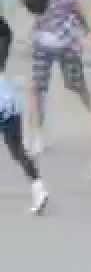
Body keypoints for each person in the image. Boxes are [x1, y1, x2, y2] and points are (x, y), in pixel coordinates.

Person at [19, 0, 91, 157]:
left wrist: (86, 30)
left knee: (76, 85)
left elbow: (78, 9)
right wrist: (28, 38)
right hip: (42, 43)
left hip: (66, 41)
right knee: (36, 88)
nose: (40, 14)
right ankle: (38, 135)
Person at [0, 34, 49, 214]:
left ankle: (39, 189)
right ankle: (38, 187)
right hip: (11, 105)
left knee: (16, 150)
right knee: (18, 150)